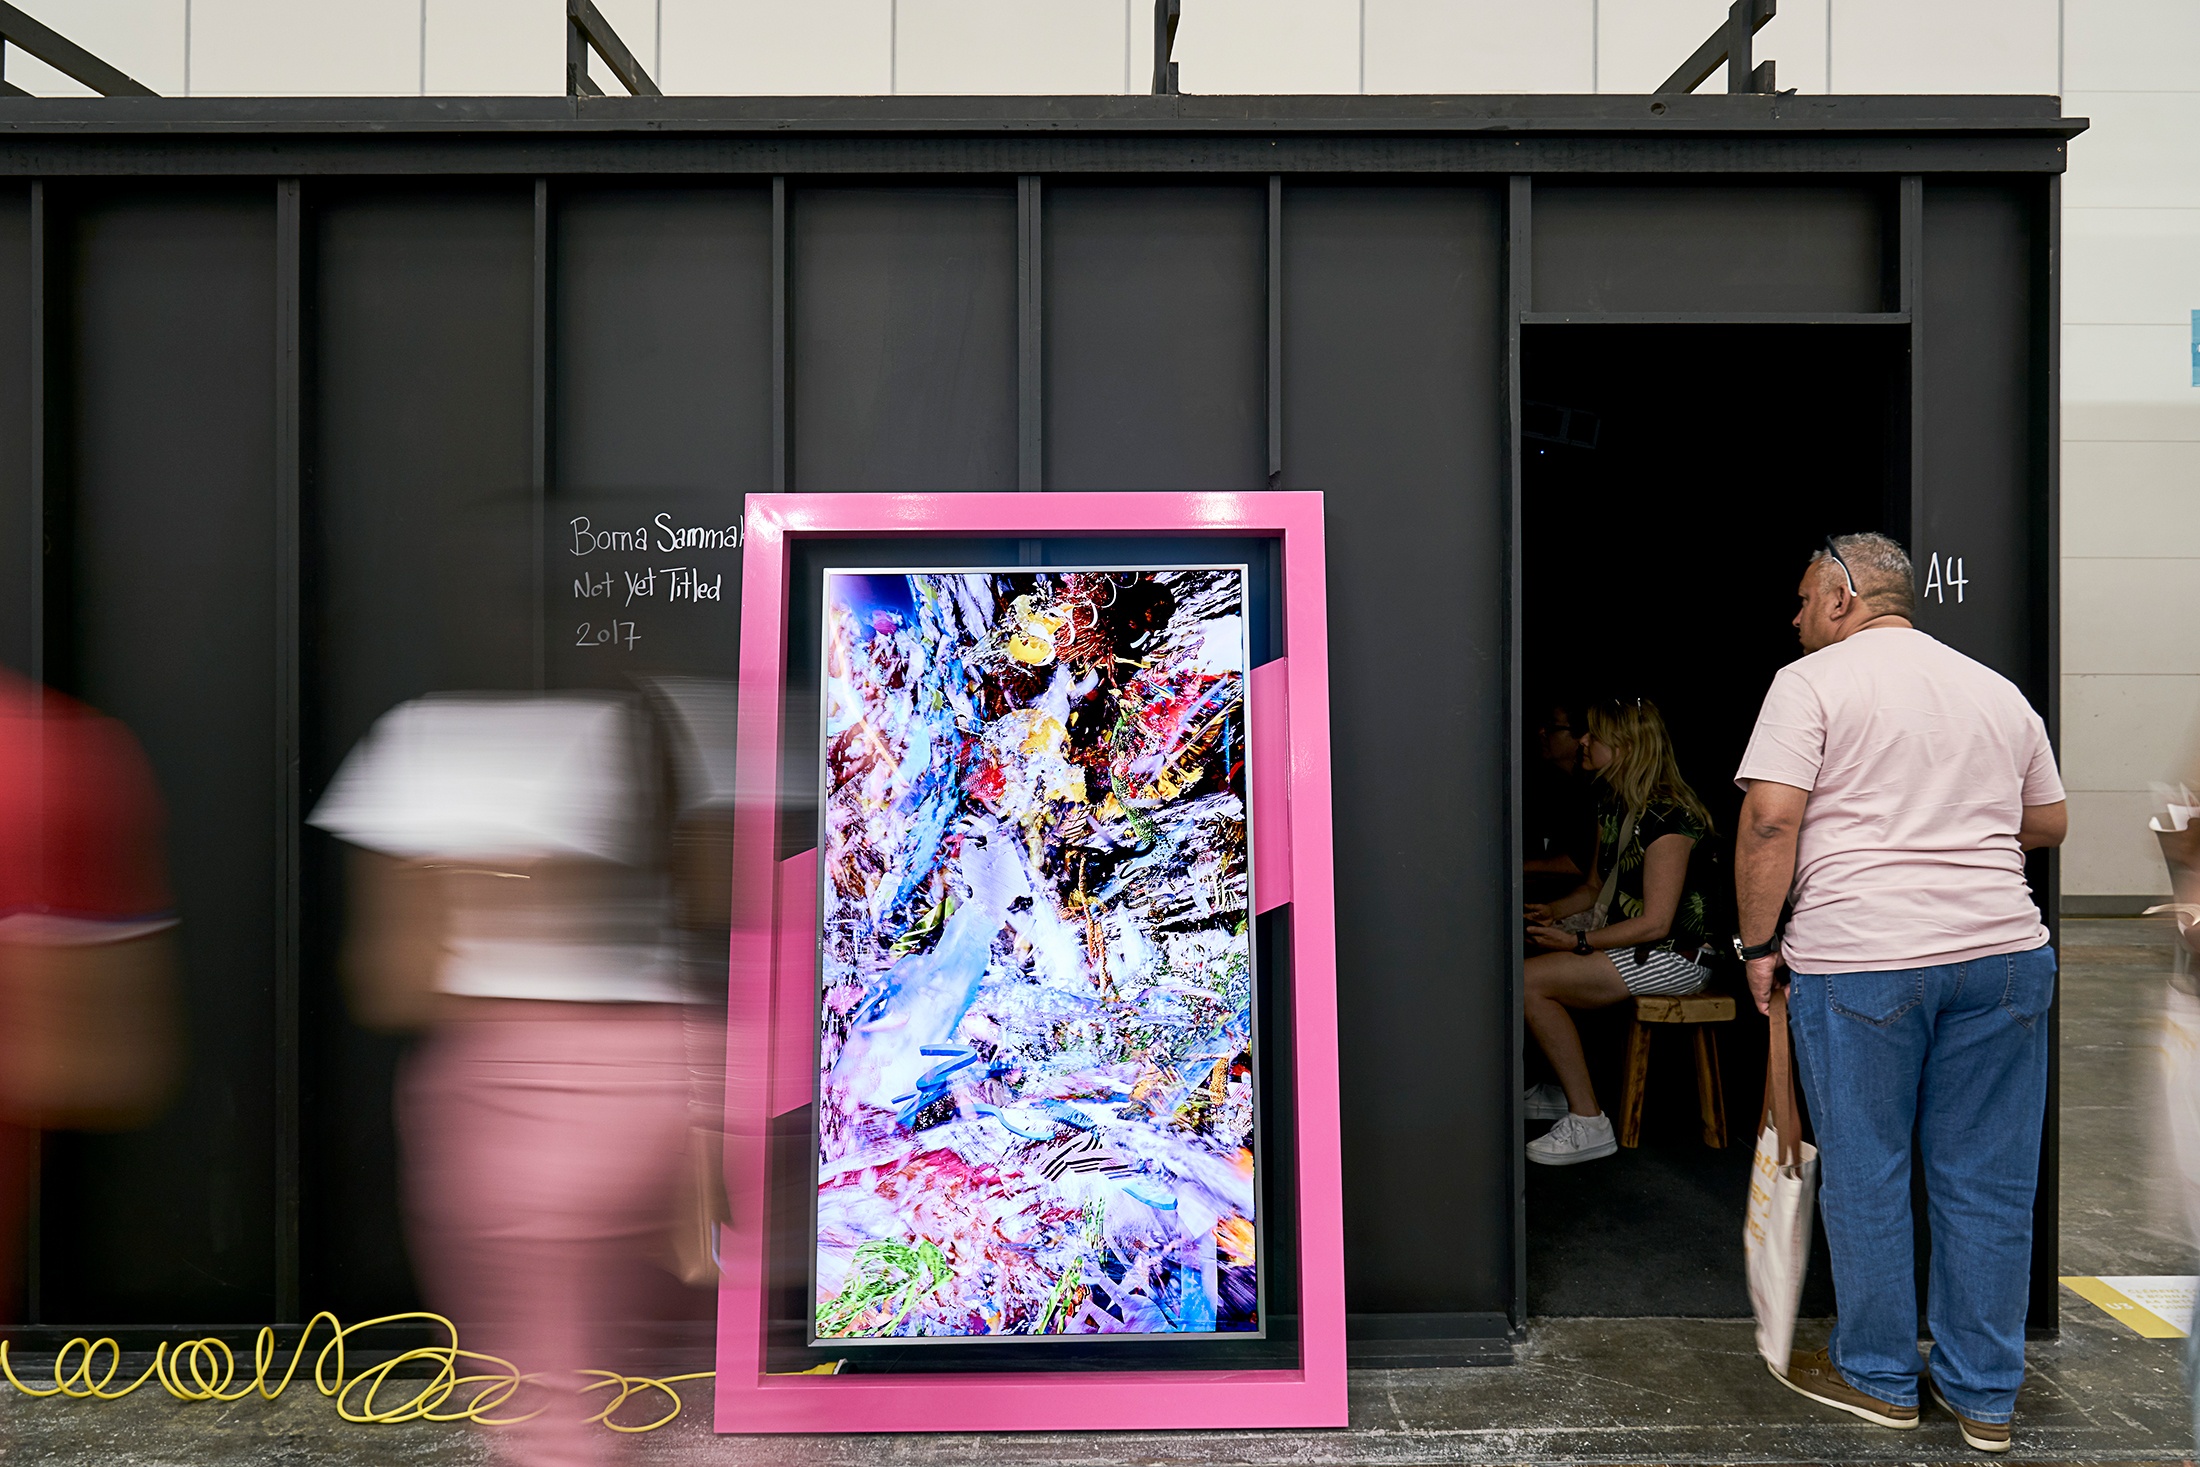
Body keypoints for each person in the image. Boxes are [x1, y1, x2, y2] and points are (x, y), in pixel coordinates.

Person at [1732, 532, 2066, 1453]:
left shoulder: (1811, 685)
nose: (1795, 618)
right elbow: (2050, 818)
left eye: (1804, 600)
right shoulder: (1993, 689)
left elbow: (1768, 820)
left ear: (1843, 598)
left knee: (1871, 1167)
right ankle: (1985, 1396)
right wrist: (1954, 822)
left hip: (1862, 957)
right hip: (2004, 958)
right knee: (1990, 1181)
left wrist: (1758, 946)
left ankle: (1880, 1376)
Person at [1522, 697, 1715, 1164]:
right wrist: (1550, 912)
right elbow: (1593, 888)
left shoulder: (1668, 818)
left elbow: (1657, 923)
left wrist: (1580, 942)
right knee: (1522, 957)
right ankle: (1557, 1090)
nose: (1583, 741)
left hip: (1676, 958)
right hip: (1640, 944)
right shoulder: (1616, 805)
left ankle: (1589, 1121)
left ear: (1626, 745)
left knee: (1531, 982)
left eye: (1595, 735)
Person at [1523, 699, 1596, 906]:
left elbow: (1579, 862)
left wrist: (1517, 867)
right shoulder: (1551, 784)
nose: (1541, 733)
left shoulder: (1595, 792)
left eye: (1552, 727)